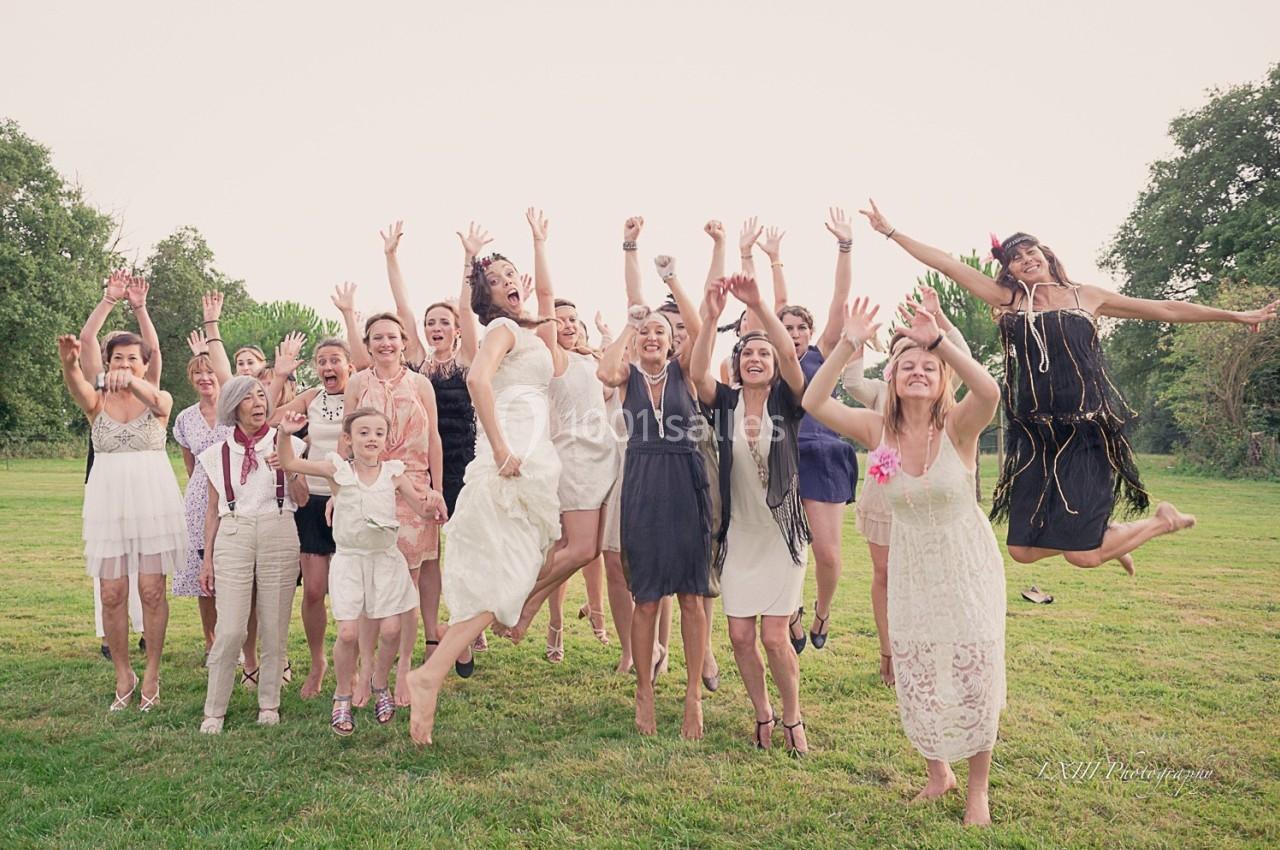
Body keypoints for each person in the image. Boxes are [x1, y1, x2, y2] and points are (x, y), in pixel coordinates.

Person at [859, 200, 1279, 569]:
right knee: (1021, 550)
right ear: (1008, 270)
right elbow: (947, 264)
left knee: (1083, 557)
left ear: (1046, 254)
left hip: (1085, 431)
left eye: (1031, 251)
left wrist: (1235, 315)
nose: (1025, 259)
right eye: (1015, 258)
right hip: (1035, 434)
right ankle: (1107, 539)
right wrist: (891, 231)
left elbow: (1166, 309)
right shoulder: (1009, 301)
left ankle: (1153, 524)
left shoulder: (1086, 296)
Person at [803, 296, 1005, 827]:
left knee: (975, 671)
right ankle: (939, 774)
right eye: (908, 365)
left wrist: (940, 339)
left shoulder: (959, 426)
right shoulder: (877, 430)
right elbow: (814, 400)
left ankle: (978, 791)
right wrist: (848, 342)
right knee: (918, 671)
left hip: (965, 565)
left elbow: (989, 390)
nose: (918, 372)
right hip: (911, 566)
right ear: (891, 377)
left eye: (929, 367)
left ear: (942, 379)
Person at [405, 214, 564, 746]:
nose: (508, 281)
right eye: (495, 279)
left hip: (530, 451)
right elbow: (477, 378)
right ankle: (429, 676)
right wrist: (499, 448)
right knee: (509, 578)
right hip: (510, 454)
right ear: (486, 296)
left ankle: (431, 675)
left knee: (514, 573)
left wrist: (540, 242)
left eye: (511, 274)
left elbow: (547, 295)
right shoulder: (501, 330)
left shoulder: (528, 330)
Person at [690, 273, 812, 755]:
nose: (756, 359)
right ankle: (762, 712)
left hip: (783, 536)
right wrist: (711, 318)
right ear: (737, 364)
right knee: (740, 636)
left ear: (775, 364)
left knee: (775, 637)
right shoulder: (726, 403)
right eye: (747, 353)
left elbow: (792, 357)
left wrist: (759, 304)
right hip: (739, 536)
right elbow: (698, 373)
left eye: (764, 353)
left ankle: (792, 715)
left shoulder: (789, 400)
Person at [275, 407, 447, 734]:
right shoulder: (337, 470)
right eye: (363, 432)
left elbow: (421, 509)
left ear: (386, 440)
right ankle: (342, 693)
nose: (371, 438)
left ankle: (380, 682)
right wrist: (285, 433)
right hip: (350, 561)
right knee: (348, 633)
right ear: (348, 439)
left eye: (378, 433)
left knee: (392, 630)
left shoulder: (394, 473)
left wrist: (432, 503)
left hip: (385, 560)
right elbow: (290, 462)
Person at [598, 244, 711, 741]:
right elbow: (604, 371)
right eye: (645, 333)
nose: (651, 337)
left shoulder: (687, 372)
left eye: (659, 332)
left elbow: (701, 331)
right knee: (645, 598)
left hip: (686, 481)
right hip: (643, 482)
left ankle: (693, 696)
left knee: (691, 597)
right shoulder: (627, 377)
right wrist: (631, 323)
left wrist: (671, 280)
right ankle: (644, 690)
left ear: (671, 342)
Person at [841, 285, 971, 685]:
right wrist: (856, 342)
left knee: (930, 576)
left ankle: (933, 645)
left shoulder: (940, 391)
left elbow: (964, 358)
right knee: (885, 574)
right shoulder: (880, 393)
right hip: (884, 498)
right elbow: (850, 382)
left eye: (924, 353)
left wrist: (940, 320)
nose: (915, 365)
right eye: (904, 355)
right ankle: (889, 650)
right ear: (893, 364)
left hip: (928, 499)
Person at [58, 330, 184, 713]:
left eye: (132, 358)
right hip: (108, 504)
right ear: (107, 362)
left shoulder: (159, 399)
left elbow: (158, 400)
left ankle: (152, 675)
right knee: (111, 594)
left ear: (145, 364)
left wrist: (130, 380)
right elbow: (77, 383)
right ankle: (123, 676)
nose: (124, 364)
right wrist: (70, 363)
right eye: (118, 358)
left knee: (152, 591)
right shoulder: (97, 402)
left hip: (152, 503)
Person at [344, 312, 444, 705]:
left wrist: (436, 491)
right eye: (377, 337)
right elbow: (345, 440)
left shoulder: (421, 384)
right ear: (368, 344)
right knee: (370, 586)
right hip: (369, 488)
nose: (385, 343)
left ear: (404, 342)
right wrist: (341, 490)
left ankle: (403, 672)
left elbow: (434, 438)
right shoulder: (357, 383)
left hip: (415, 489)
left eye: (392, 337)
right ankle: (368, 670)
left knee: (407, 589)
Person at [197, 377, 303, 733]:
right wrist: (207, 560)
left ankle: (269, 703)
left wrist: (289, 468)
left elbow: (303, 499)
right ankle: (214, 709)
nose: (258, 402)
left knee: (274, 627)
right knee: (229, 629)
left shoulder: (289, 442)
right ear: (233, 406)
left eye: (261, 396)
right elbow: (212, 511)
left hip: (279, 526)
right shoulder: (217, 454)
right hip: (234, 532)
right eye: (248, 398)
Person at [777, 209, 858, 652]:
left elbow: (840, 299)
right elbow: (772, 303)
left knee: (827, 553)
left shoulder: (823, 353)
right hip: (781, 456)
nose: (794, 333)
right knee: (785, 549)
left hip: (823, 453)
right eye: (786, 328)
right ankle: (789, 610)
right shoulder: (768, 360)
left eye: (800, 327)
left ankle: (822, 610)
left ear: (811, 332)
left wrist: (845, 246)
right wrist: (770, 258)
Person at [269, 337, 355, 698]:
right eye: (321, 361)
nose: (328, 367)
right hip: (313, 502)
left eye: (335, 360)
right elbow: (268, 417)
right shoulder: (311, 397)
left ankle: (354, 667)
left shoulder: (361, 392)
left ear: (349, 365)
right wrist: (280, 375)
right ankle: (318, 662)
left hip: (350, 500)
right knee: (315, 589)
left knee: (353, 591)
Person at [541, 297, 618, 662]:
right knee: (571, 547)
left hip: (602, 457)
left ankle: (590, 611)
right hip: (571, 457)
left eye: (573, 319)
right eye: (560, 321)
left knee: (590, 550)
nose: (568, 325)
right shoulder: (552, 360)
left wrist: (606, 337)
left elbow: (608, 390)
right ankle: (548, 619)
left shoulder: (589, 360)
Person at [172, 342, 233, 660]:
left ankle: (235, 640)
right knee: (204, 576)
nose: (205, 377)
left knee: (233, 573)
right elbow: (190, 465)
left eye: (210, 371)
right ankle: (211, 642)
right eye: (198, 373)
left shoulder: (234, 412)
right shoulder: (185, 418)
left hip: (235, 497)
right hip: (199, 500)